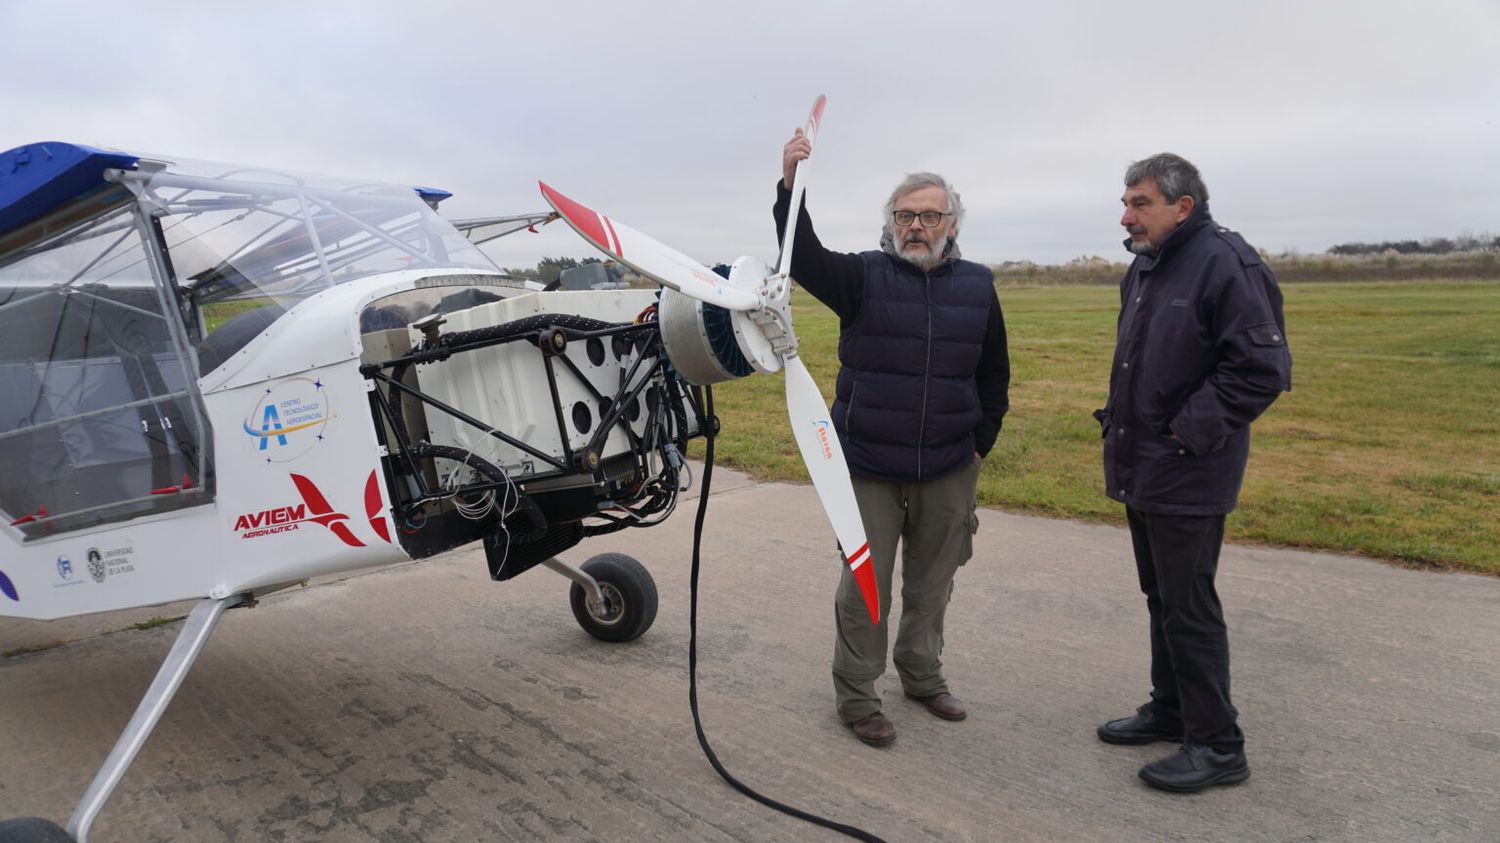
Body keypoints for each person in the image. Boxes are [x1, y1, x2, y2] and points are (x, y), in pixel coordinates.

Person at [776, 129, 1010, 747]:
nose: (916, 225)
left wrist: (979, 442)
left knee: (933, 587)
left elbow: (994, 374)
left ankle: (923, 675)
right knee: (866, 588)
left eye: (929, 215)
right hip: (869, 466)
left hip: (950, 465)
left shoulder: (979, 286)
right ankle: (857, 696)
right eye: (906, 215)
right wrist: (791, 186)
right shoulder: (862, 278)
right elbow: (802, 256)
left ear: (952, 224)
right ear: (891, 223)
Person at [1093, 153, 1292, 792]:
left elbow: (1261, 370)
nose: (1127, 216)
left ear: (1184, 205)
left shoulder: (1226, 264)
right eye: (1125, 203)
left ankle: (1217, 743)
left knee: (1190, 605)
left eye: (1140, 203)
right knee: (1163, 599)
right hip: (1144, 463)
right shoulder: (1148, 267)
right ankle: (1174, 709)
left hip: (1188, 469)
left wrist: (1185, 434)